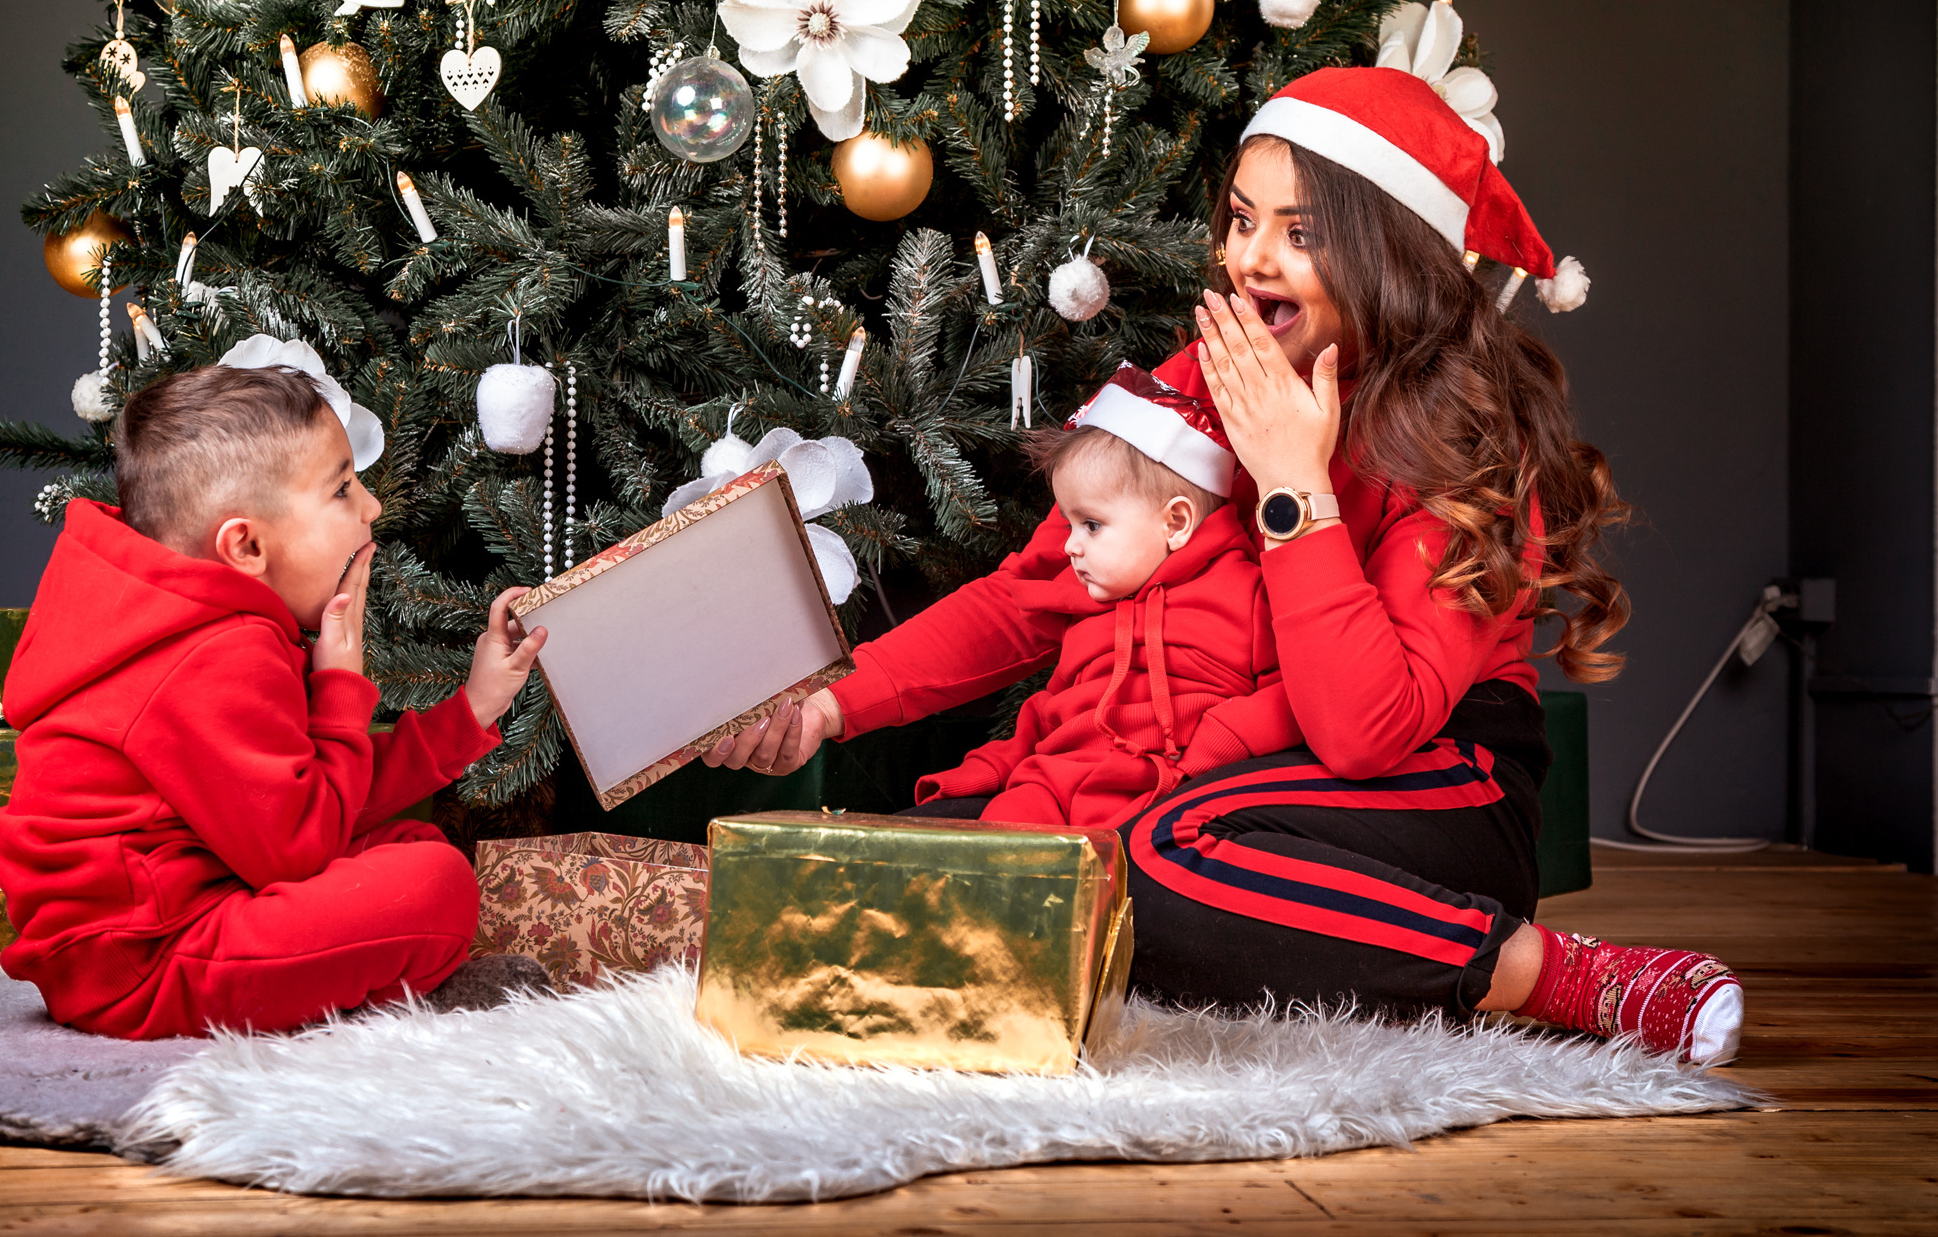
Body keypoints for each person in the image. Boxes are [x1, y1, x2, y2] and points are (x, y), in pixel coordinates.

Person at [705, 66, 1743, 1065]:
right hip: (1227, 758)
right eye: (1242, 220)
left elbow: (1364, 728)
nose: (1251, 259)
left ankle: (1557, 976)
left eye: (1301, 235)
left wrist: (1293, 482)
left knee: (1164, 854)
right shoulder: (1201, 378)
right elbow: (1038, 592)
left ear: (1393, 254)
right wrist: (833, 705)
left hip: (1431, 784)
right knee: (954, 866)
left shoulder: (1466, 437)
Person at [0, 337, 549, 1040]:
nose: (372, 506)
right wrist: (341, 689)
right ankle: (372, 1001)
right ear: (247, 547)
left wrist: (470, 710)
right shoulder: (213, 652)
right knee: (435, 888)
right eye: (343, 487)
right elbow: (301, 846)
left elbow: (300, 795)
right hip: (141, 962)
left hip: (181, 903)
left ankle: (357, 984)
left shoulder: (194, 611)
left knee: (404, 842)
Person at [911, 362, 1302, 828]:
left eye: (1091, 525)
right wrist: (987, 769)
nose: (1069, 545)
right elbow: (1048, 712)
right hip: (1056, 780)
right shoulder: (1090, 616)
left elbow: (1294, 694)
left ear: (1175, 523)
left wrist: (1221, 743)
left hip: (1166, 783)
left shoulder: (1246, 594)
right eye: (1073, 525)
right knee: (1004, 836)